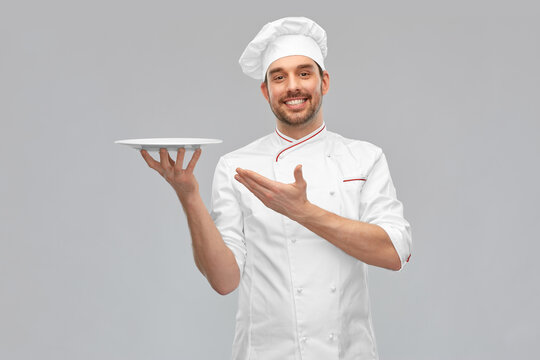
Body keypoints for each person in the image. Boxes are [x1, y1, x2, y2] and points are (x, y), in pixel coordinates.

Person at [141, 16, 411, 360]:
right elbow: (224, 281)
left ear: (324, 82)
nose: (292, 86)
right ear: (266, 90)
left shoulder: (364, 158)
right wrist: (188, 195)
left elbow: (393, 253)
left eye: (304, 73)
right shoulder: (238, 167)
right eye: (278, 77)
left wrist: (303, 212)